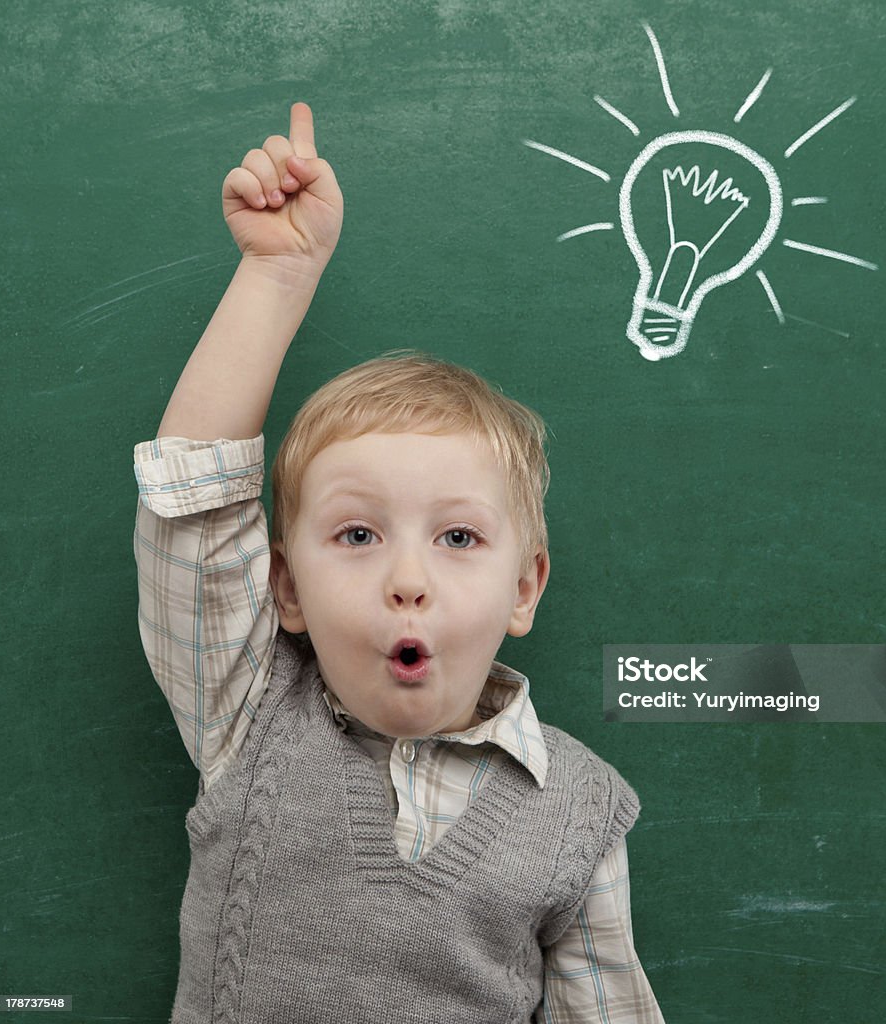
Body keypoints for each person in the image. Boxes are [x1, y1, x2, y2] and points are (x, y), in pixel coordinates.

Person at [133, 101, 664, 1023]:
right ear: (287, 590)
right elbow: (194, 503)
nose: (406, 579)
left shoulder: (580, 813)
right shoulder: (246, 716)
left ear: (526, 585)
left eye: (457, 538)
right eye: (358, 535)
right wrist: (278, 272)